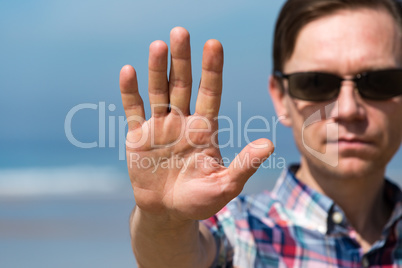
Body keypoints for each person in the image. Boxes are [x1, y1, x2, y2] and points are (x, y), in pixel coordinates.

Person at [119, 0, 402, 267]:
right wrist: (165, 220)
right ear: (280, 97)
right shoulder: (240, 231)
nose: (348, 109)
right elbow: (181, 256)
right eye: (316, 83)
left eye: (381, 82)